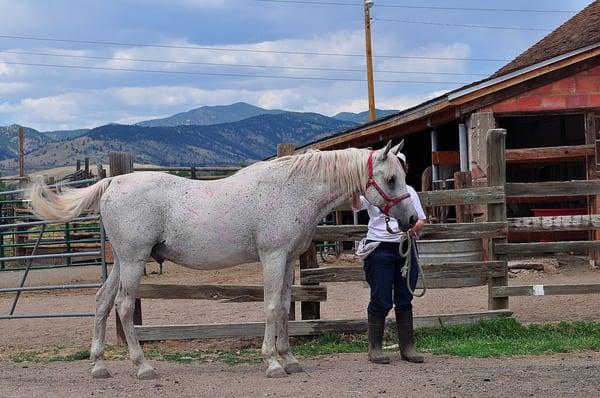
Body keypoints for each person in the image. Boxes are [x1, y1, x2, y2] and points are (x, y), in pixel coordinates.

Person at [352, 152, 426, 364]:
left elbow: (420, 220)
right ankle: (375, 347)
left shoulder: (409, 192)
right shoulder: (374, 191)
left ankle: (407, 347)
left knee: (405, 297)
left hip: (404, 247)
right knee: (380, 297)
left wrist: (411, 230)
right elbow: (357, 206)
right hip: (379, 247)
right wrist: (354, 190)